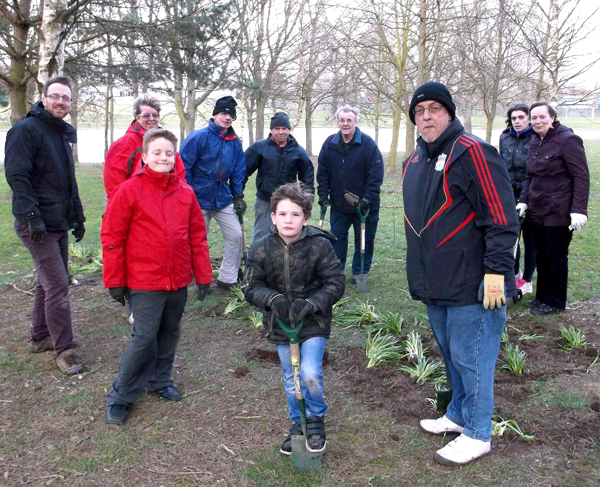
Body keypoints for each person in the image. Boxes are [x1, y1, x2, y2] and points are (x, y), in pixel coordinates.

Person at [402, 82, 518, 465]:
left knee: (473, 358)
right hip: (436, 282)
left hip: (474, 283)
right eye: (419, 111)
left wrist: (497, 273)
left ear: (449, 113)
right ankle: (457, 414)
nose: (426, 116)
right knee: (452, 354)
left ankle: (479, 432)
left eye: (434, 108)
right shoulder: (415, 162)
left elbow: (501, 218)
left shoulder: (472, 152)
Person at [101, 129, 212, 425]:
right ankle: (121, 395)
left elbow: (197, 237)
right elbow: (112, 236)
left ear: (175, 157)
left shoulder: (185, 193)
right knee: (143, 338)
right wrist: (114, 280)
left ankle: (160, 380)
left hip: (177, 280)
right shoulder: (130, 190)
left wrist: (202, 276)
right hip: (144, 280)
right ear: (145, 156)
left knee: (169, 331)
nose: (163, 158)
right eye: (157, 153)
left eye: (168, 153)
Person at [242, 183, 345, 455]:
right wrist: (273, 300)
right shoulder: (261, 248)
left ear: (306, 218)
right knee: (292, 378)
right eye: (283, 214)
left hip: (312, 321)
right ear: (273, 217)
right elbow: (250, 286)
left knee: (309, 373)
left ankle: (315, 419)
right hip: (280, 323)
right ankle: (297, 422)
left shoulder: (320, 245)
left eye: (296, 214)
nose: (289, 220)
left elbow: (335, 283)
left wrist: (311, 304)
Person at [5, 76, 86, 375]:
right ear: (43, 97)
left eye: (66, 98)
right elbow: (17, 176)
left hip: (56, 221)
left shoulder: (60, 133)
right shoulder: (25, 130)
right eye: (55, 96)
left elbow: (67, 182)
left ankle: (40, 336)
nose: (61, 102)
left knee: (47, 281)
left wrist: (77, 217)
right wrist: (30, 217)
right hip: (35, 223)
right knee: (58, 285)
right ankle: (64, 350)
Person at [517, 101, 589, 315]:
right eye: (534, 117)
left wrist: (579, 210)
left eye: (542, 117)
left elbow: (581, 176)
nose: (537, 121)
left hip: (559, 210)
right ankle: (542, 298)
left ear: (553, 118)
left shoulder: (567, 140)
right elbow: (530, 174)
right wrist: (523, 200)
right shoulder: (535, 142)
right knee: (540, 254)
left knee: (555, 256)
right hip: (537, 210)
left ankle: (555, 301)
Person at [180, 96, 246, 290]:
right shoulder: (198, 137)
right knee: (198, 240)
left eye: (231, 115)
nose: (227, 118)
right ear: (215, 114)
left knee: (236, 236)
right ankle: (201, 279)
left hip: (223, 197)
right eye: (224, 113)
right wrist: (187, 194)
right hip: (198, 197)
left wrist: (238, 195)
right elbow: (185, 167)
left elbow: (238, 170)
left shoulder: (234, 142)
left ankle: (227, 277)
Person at [316, 105, 384, 282]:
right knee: (337, 240)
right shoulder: (330, 144)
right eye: (342, 120)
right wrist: (323, 195)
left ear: (355, 122)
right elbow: (322, 173)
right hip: (339, 206)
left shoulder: (368, 145)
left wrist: (368, 198)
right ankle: (336, 272)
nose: (345, 124)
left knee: (364, 241)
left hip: (365, 207)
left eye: (349, 120)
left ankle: (360, 272)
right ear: (338, 122)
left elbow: (375, 176)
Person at [245, 111, 314, 242]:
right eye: (277, 129)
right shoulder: (259, 148)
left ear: (289, 130)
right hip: (265, 199)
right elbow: (243, 171)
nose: (281, 132)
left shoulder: (298, 151)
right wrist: (237, 195)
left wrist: (308, 199)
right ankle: (258, 261)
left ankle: (285, 260)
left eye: (284, 128)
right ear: (271, 130)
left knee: (287, 235)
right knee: (261, 235)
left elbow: (308, 177)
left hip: (289, 201)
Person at [103, 94, 185, 199]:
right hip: (133, 202)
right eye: (146, 115)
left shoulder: (166, 141)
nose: (151, 119)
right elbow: (113, 182)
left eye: (155, 115)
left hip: (164, 201)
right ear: (137, 117)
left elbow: (179, 173)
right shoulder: (124, 144)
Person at [499, 104, 536, 295]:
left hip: (530, 193)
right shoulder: (505, 137)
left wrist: (527, 196)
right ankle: (514, 274)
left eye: (521, 117)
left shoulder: (535, 138)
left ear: (529, 119)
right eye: (514, 118)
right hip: (508, 194)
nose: (517, 122)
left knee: (530, 238)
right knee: (511, 236)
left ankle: (527, 279)